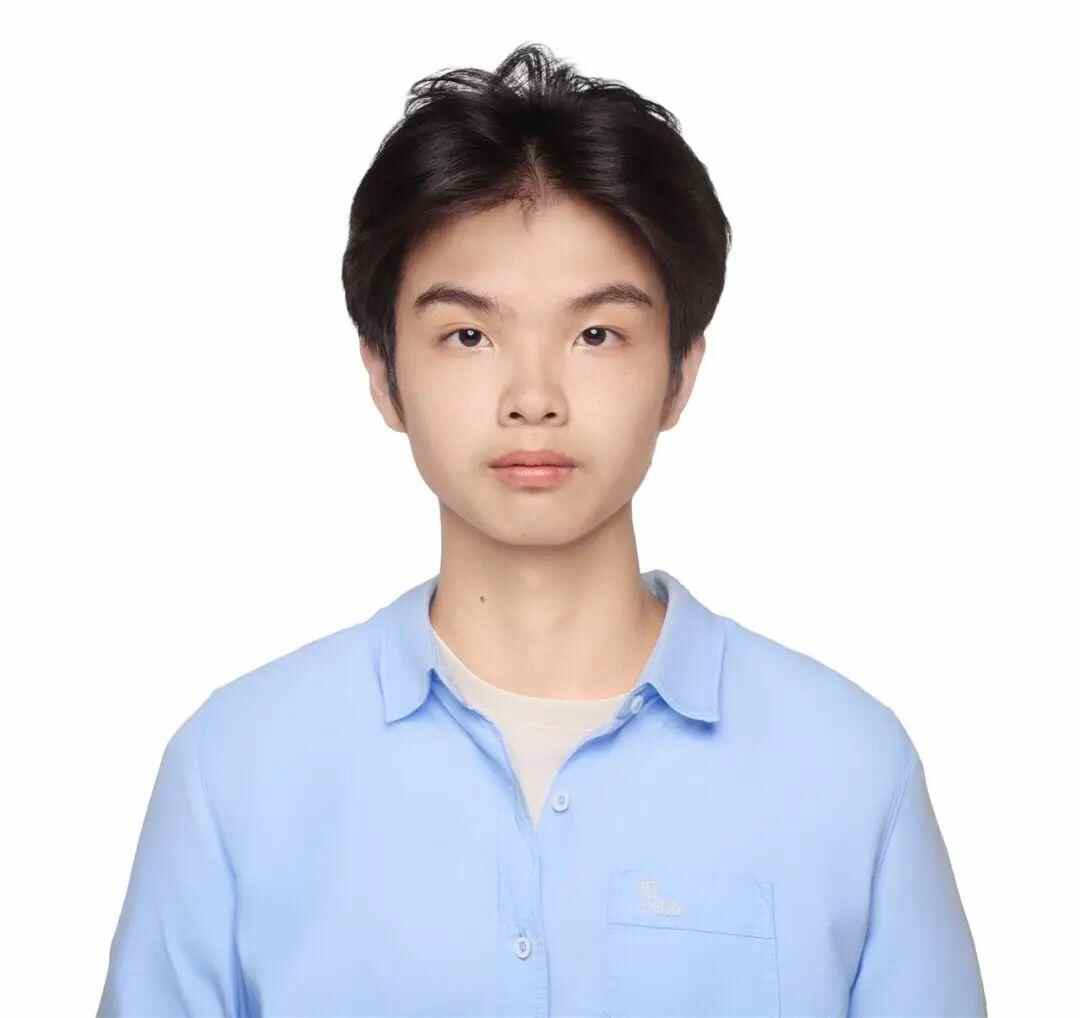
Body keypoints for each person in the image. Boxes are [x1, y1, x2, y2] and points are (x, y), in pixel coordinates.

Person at [97, 41, 986, 1017]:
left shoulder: (849, 770)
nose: (533, 396)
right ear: (384, 374)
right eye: (468, 334)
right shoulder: (234, 771)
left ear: (680, 374)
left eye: (596, 333)